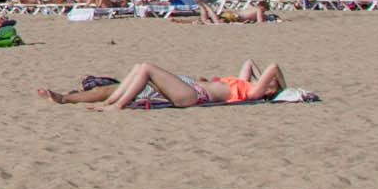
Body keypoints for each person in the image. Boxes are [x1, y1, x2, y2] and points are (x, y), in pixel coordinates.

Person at [38, 60, 286, 110]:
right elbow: (249, 62)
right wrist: (259, 74)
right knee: (137, 69)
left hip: (193, 95)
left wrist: (282, 87)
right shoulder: (245, 83)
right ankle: (112, 102)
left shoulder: (252, 92)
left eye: (268, 82)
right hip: (190, 86)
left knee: (145, 68)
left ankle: (114, 105)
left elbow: (273, 66)